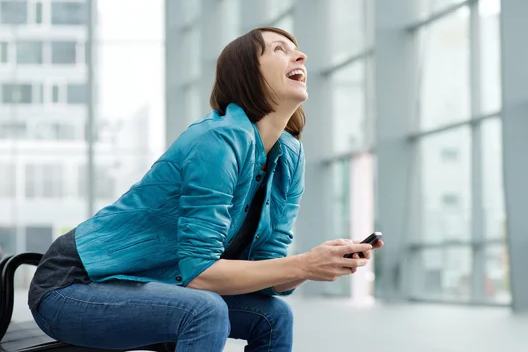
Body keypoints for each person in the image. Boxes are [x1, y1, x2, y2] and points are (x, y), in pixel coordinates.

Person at [27, 27, 384, 352]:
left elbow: (266, 275)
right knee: (205, 310)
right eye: (279, 50)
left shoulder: (289, 158)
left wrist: (316, 265)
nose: (300, 56)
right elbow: (200, 274)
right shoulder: (217, 140)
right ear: (249, 74)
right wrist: (303, 264)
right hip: (72, 288)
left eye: (296, 49)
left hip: (152, 285)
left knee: (275, 316)